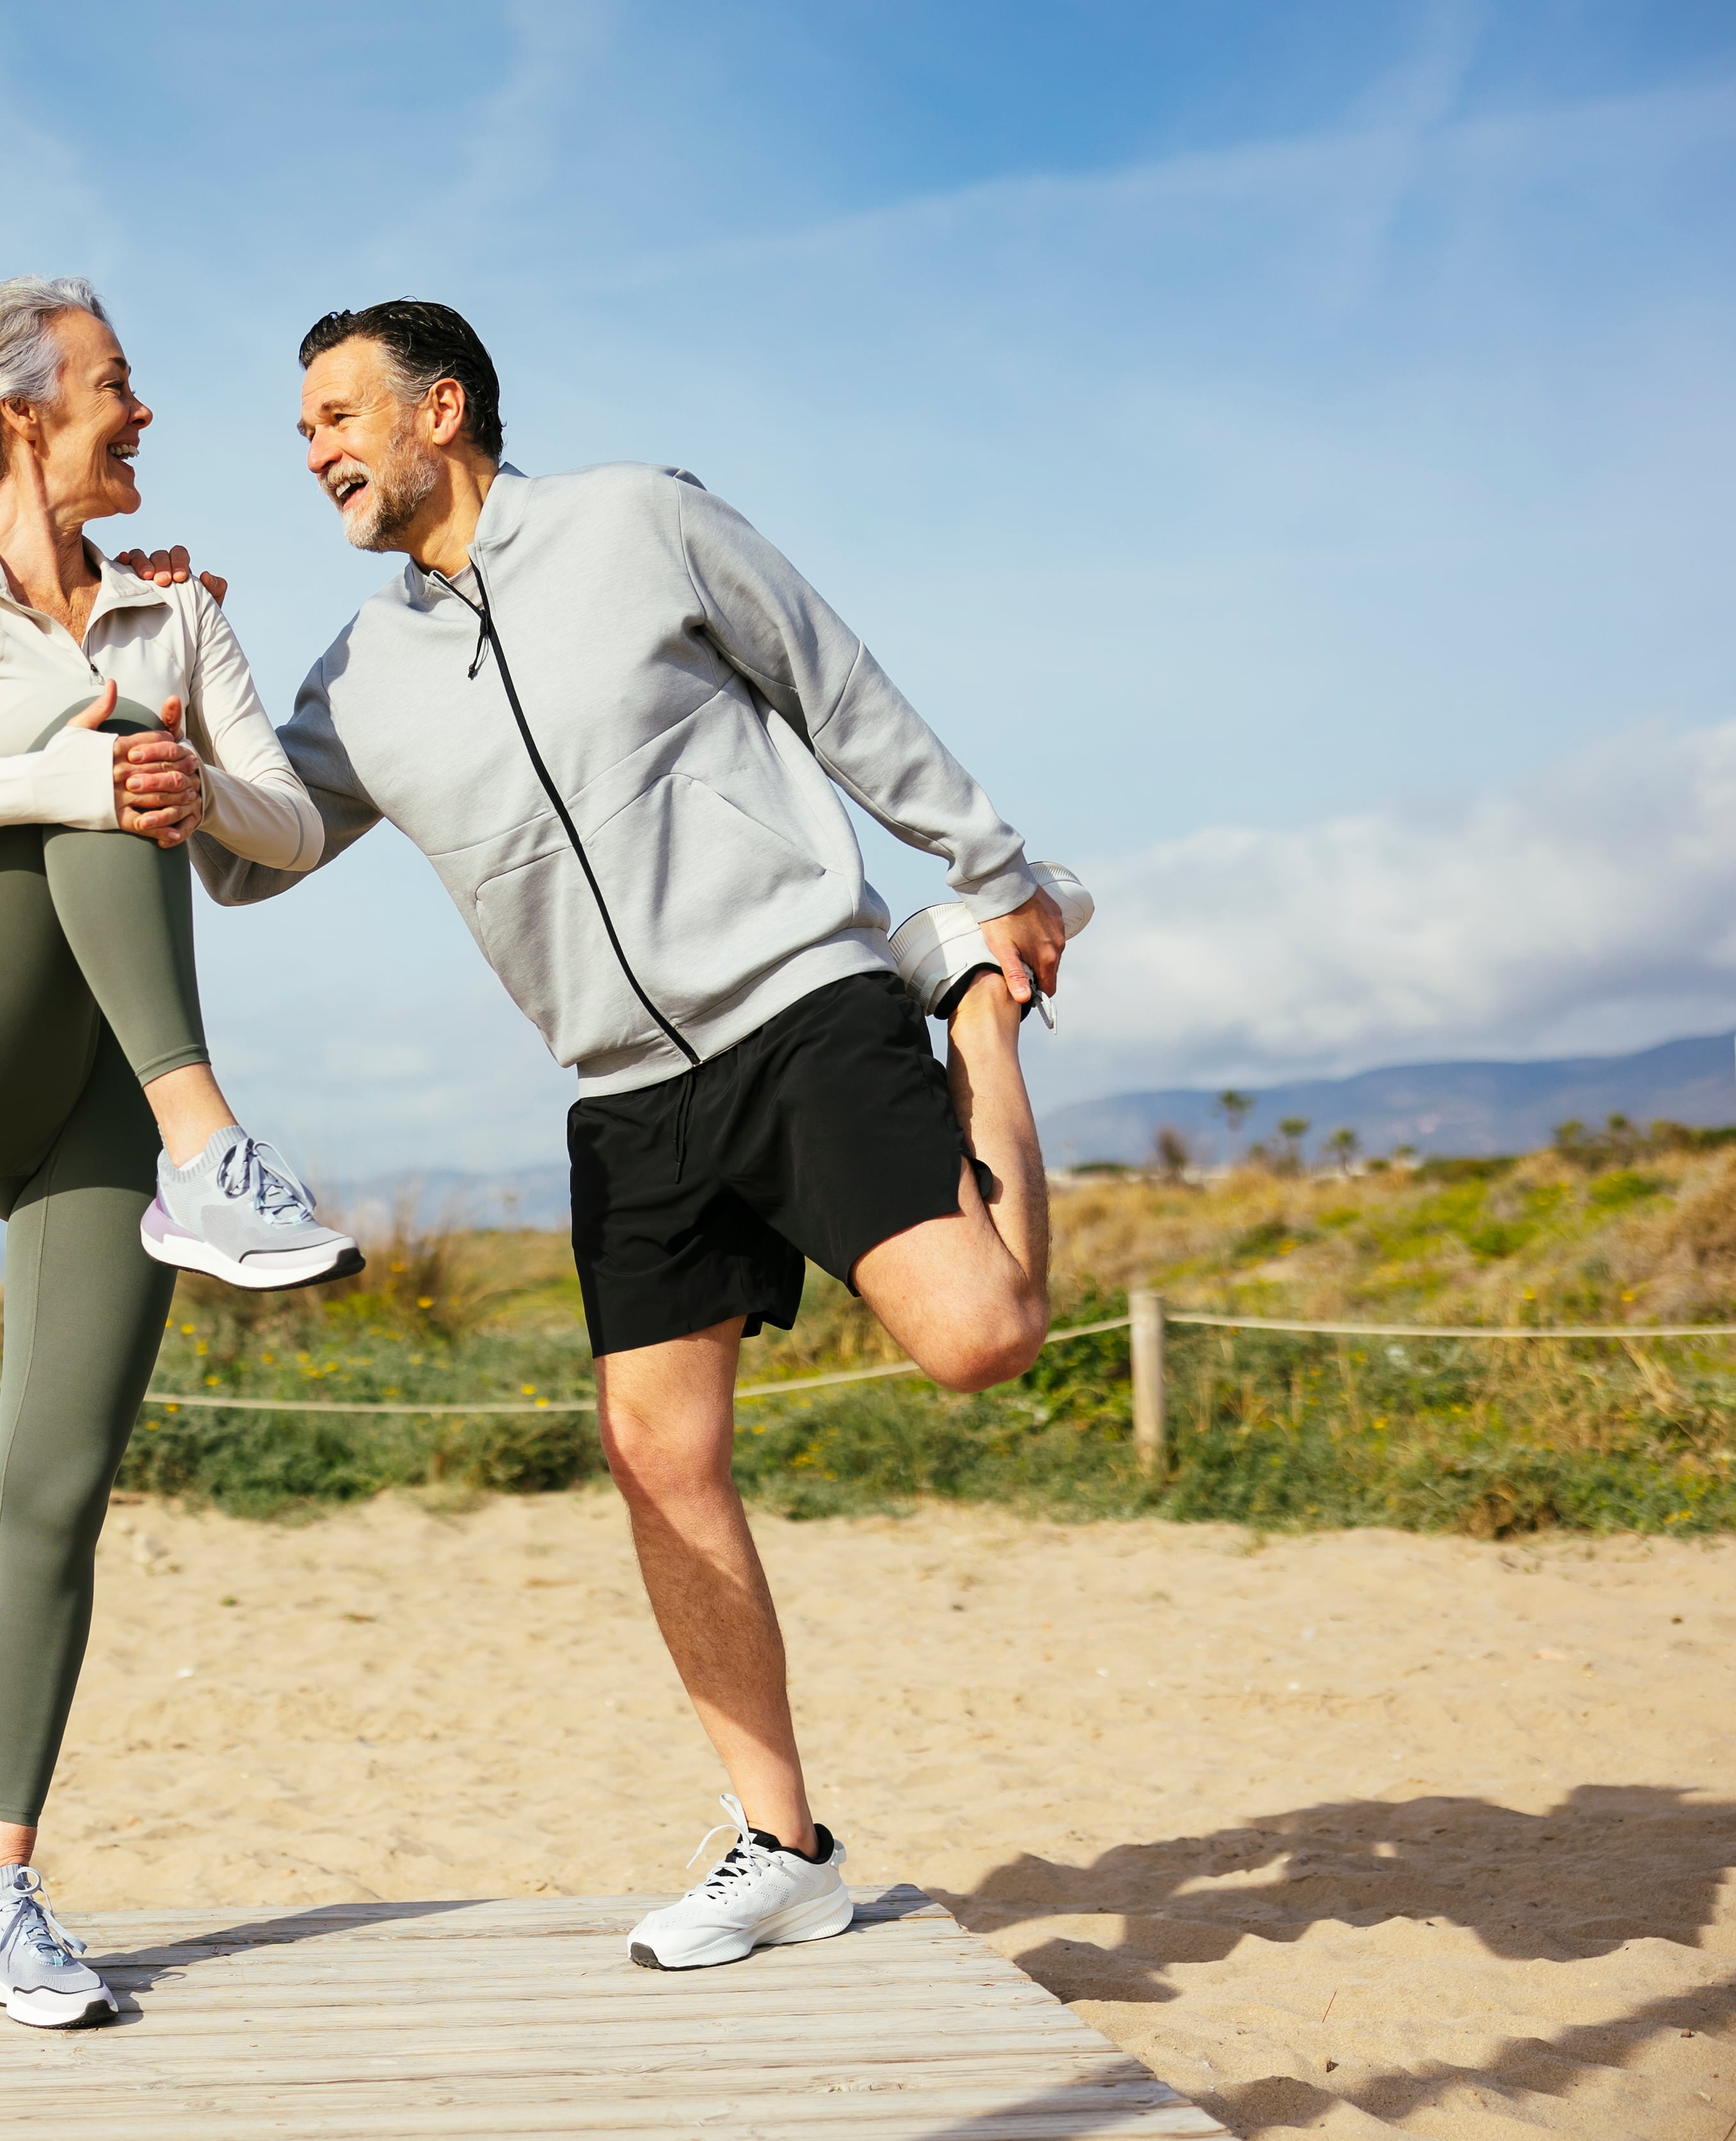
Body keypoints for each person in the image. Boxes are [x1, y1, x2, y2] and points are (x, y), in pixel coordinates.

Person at [155, 299, 1089, 1972]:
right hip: (620, 1095)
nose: (316, 454)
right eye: (303, 433)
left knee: (981, 1338)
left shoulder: (637, 522)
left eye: (338, 417)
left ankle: (970, 1011)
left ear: (443, 407)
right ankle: (781, 1841)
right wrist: (174, 722)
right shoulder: (360, 671)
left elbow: (836, 682)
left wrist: (991, 870)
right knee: (661, 1463)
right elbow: (251, 855)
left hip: (800, 1004)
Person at [0, 276, 355, 2028]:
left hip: (103, 1086)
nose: (149, 414)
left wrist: (189, 780)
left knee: (53, 1488)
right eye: (122, 385)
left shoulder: (176, 616)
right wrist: (68, 772)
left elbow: (289, 836)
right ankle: (215, 1150)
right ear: (28, 412)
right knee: (106, 749)